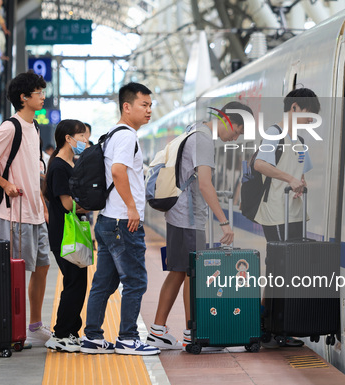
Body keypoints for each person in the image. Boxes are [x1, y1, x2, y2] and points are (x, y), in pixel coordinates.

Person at [146, 102, 251, 350]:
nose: (234, 137)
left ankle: (158, 331)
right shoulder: (204, 140)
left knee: (179, 271)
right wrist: (224, 222)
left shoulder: (193, 130)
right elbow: (205, 184)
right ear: (227, 121)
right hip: (189, 219)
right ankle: (195, 334)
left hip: (178, 216)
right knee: (194, 275)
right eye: (237, 131)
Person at [0, 71, 52, 347]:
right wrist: (5, 183)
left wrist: (42, 202)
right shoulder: (10, 127)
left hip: (35, 213)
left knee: (42, 267)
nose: (43, 96)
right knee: (12, 273)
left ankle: (34, 325)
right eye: (38, 92)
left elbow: (34, 170)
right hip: (15, 213)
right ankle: (10, 327)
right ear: (23, 97)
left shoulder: (35, 128)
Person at [80, 82, 158, 356]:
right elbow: (117, 172)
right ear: (127, 107)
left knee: (104, 281)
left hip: (106, 221)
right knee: (135, 281)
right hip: (123, 223)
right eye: (143, 105)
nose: (149, 110)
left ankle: (92, 336)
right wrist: (132, 208)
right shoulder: (126, 136)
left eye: (150, 105)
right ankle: (127, 338)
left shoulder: (112, 134)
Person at [252, 88, 321, 348]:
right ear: (294, 108)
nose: (310, 120)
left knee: (288, 269)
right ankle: (272, 324)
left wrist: (299, 182)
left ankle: (275, 323)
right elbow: (260, 164)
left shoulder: (300, 141)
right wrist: (289, 179)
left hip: (294, 211)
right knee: (281, 268)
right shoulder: (274, 134)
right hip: (276, 213)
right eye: (308, 114)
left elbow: (300, 172)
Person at [44, 120, 89, 353]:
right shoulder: (59, 167)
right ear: (68, 138)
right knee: (74, 282)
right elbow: (68, 204)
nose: (85, 142)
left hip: (71, 233)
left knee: (78, 281)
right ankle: (60, 334)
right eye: (82, 137)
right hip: (64, 234)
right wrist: (90, 204)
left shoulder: (69, 163)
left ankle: (71, 331)